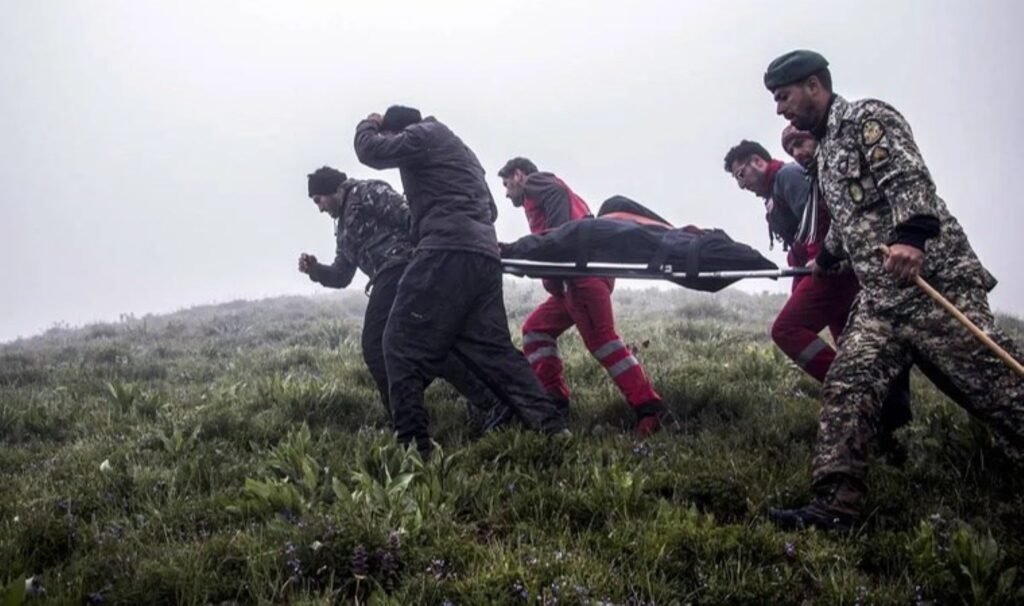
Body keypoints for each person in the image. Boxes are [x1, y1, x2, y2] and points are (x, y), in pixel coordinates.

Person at [762, 49, 1024, 530]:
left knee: (992, 386)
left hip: (931, 285)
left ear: (815, 85)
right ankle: (835, 505)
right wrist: (825, 258)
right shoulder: (824, 154)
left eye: (784, 97)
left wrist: (912, 238)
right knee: (849, 382)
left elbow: (909, 181)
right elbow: (850, 218)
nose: (780, 109)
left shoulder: (867, 119)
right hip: (882, 300)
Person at [353, 106, 568, 456]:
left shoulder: (422, 135)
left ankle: (413, 446)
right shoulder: (461, 152)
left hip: (444, 251)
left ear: (399, 130)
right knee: (495, 351)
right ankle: (552, 428)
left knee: (397, 343)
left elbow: (370, 151)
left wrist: (369, 124)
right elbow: (492, 210)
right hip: (481, 256)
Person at [723, 139, 912, 452]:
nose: (741, 184)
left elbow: (818, 215)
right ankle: (884, 415)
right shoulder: (773, 192)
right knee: (849, 344)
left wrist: (818, 257)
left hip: (831, 269)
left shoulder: (787, 177)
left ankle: (851, 390)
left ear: (757, 161)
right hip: (825, 269)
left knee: (785, 330)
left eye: (740, 174)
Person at [298, 166, 507, 428]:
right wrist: (316, 271)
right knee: (428, 346)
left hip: (403, 268)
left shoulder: (367, 192)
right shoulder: (342, 229)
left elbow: (411, 217)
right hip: (388, 277)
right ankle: (488, 403)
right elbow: (342, 275)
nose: (319, 208)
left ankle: (404, 419)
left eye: (319, 200)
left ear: (332, 189)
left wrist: (433, 259)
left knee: (375, 345)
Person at [497, 157, 664, 437]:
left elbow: (561, 227)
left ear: (518, 175)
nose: (506, 193)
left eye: (506, 184)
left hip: (581, 280)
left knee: (603, 342)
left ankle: (649, 408)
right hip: (570, 284)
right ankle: (554, 400)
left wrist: (553, 238)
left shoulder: (538, 183)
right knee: (536, 330)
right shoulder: (559, 198)